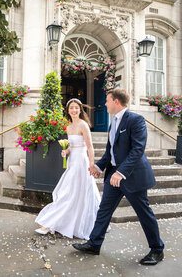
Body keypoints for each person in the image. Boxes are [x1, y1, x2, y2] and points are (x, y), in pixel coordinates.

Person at [73, 88, 164, 265]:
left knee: (144, 213)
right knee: (104, 211)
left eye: (107, 100)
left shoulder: (136, 120)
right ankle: (94, 244)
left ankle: (157, 250)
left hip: (132, 177)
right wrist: (98, 166)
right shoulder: (112, 122)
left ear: (116, 101)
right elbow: (110, 153)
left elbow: (137, 150)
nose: (104, 104)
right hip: (113, 177)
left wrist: (121, 172)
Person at [35, 98, 101, 240]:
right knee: (68, 192)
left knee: (74, 192)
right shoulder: (69, 127)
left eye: (76, 108)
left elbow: (89, 146)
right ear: (68, 110)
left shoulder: (83, 125)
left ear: (80, 110)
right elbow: (74, 144)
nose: (74, 110)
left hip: (82, 163)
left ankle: (56, 223)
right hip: (72, 161)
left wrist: (91, 164)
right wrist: (66, 151)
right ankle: (57, 222)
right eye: (71, 108)